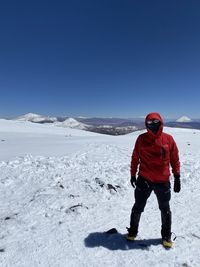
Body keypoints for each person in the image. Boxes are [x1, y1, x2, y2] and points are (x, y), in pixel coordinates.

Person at [127, 112, 181, 248]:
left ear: (161, 123)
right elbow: (135, 157)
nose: (153, 126)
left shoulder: (168, 139)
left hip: (162, 181)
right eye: (150, 123)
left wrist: (177, 176)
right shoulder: (141, 139)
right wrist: (133, 174)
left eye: (155, 122)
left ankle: (166, 235)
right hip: (144, 179)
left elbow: (175, 159)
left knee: (165, 209)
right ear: (146, 124)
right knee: (138, 207)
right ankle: (133, 231)